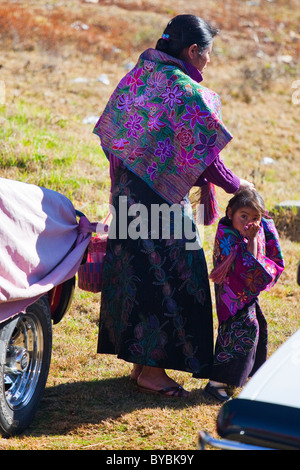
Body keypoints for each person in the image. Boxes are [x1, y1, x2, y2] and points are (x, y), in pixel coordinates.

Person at [93, 14, 254, 397]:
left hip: (130, 192)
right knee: (180, 280)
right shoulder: (186, 92)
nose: (210, 61)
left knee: (139, 273)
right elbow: (204, 156)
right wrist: (237, 185)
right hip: (162, 202)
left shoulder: (141, 74)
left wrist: (127, 182)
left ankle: (142, 366)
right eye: (208, 53)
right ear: (193, 50)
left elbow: (111, 135)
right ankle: (152, 372)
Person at [205, 189, 285, 402]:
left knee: (255, 328)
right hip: (232, 298)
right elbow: (247, 263)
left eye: (255, 218)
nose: (249, 222)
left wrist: (254, 237)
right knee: (241, 331)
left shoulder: (250, 232)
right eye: (244, 216)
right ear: (230, 213)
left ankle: (237, 378)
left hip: (243, 296)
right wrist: (252, 240)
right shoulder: (227, 234)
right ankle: (216, 383)